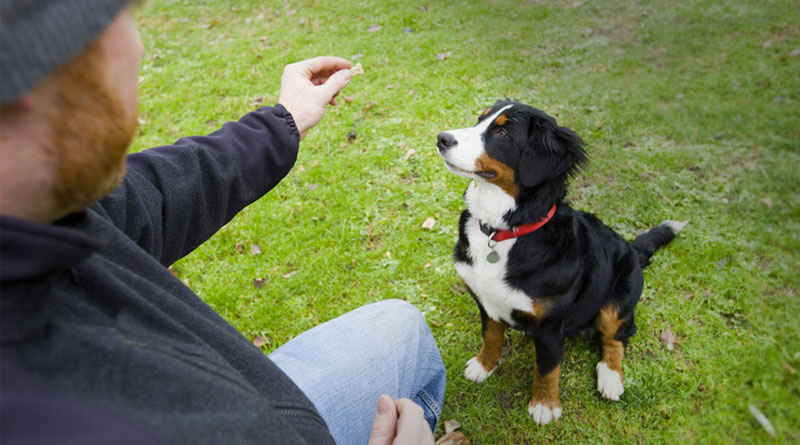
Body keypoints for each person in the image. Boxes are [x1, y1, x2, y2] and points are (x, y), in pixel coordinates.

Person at [0, 1, 445, 444]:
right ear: (30, 68)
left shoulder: (36, 213)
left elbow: (146, 198)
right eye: (112, 22)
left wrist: (283, 121)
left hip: (251, 400)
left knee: (402, 326)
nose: (137, 49)